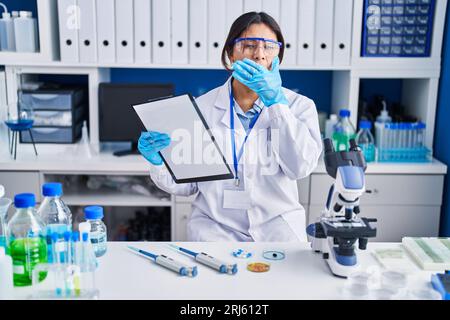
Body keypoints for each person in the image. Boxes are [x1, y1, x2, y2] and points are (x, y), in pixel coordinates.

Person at [138, 12, 322, 241]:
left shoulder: (299, 107)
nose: (259, 55)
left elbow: (300, 167)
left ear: (278, 56)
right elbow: (188, 186)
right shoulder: (201, 108)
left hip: (278, 230)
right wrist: (159, 163)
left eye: (269, 47)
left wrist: (275, 102)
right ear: (230, 54)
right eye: (249, 45)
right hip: (216, 231)